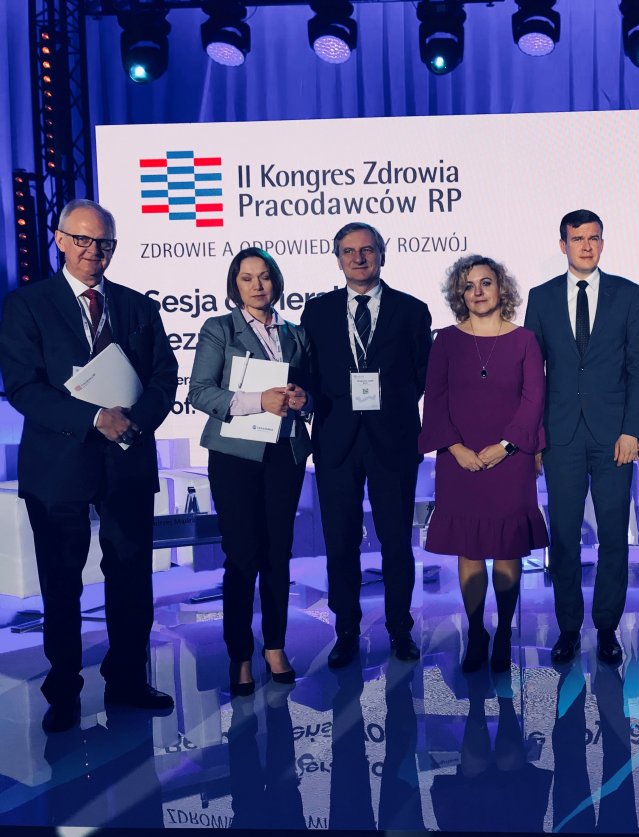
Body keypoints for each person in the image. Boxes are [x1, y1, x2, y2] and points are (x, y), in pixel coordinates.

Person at [0, 199, 178, 732]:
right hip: (58, 465)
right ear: (59, 240)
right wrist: (95, 417)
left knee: (131, 577)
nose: (93, 251)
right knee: (61, 582)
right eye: (82, 239)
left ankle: (127, 679)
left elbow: (164, 375)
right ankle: (64, 690)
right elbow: (23, 386)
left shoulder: (137, 306)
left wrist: (132, 422)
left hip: (128, 459)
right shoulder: (27, 305)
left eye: (104, 243)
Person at [300, 222, 433, 668]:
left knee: (396, 540)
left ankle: (400, 628)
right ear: (338, 258)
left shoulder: (412, 311)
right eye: (349, 251)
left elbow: (421, 376)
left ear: (382, 254)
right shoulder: (317, 312)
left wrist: (388, 404)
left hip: (393, 440)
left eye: (367, 250)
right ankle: (346, 630)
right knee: (340, 542)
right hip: (336, 439)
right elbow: (310, 375)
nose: (358, 258)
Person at [523, 209, 639, 666]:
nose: (587, 246)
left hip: (615, 436)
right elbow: (531, 374)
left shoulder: (627, 294)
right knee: (563, 537)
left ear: (602, 242)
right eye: (577, 239)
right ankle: (568, 628)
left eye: (594, 238)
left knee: (614, 535)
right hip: (560, 437)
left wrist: (633, 430)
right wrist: (534, 437)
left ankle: (608, 628)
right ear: (563, 245)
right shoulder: (541, 297)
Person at [188, 248, 313, 695]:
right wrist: (257, 401)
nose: (257, 286)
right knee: (242, 556)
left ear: (276, 281)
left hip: (284, 454)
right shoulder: (219, 329)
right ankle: (239, 655)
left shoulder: (296, 333)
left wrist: (304, 400)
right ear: (235, 284)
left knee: (278, 554)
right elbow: (200, 392)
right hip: (235, 456)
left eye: (264, 277)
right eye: (247, 278)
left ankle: (275, 646)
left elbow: (311, 391)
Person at [418, 255, 548, 672]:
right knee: (469, 548)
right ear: (460, 294)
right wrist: (455, 448)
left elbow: (534, 399)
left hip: (511, 459)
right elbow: (435, 399)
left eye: (486, 282)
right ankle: (476, 632)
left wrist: (506, 446)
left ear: (501, 288)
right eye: (469, 285)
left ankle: (504, 632)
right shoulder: (445, 341)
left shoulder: (524, 340)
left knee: (508, 547)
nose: (477, 291)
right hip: (460, 460)